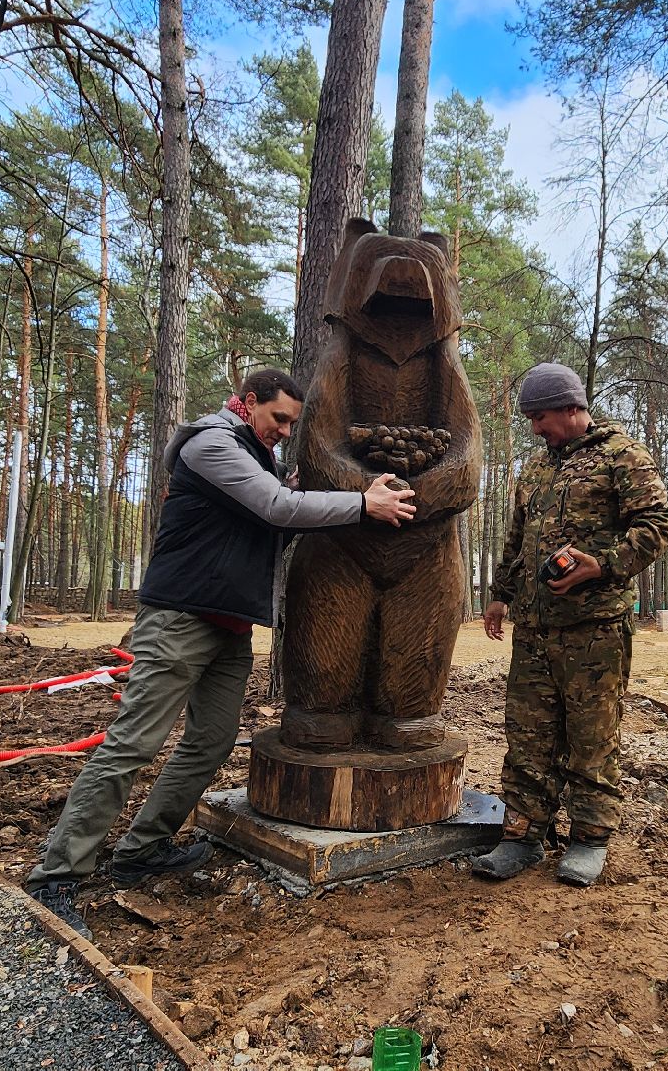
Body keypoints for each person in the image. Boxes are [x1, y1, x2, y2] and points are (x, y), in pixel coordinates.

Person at [24, 368, 418, 938]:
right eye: (278, 418)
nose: (285, 430)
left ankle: (143, 849)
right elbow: (278, 509)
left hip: (229, 627)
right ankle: (56, 875)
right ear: (248, 401)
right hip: (180, 619)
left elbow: (274, 518)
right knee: (134, 744)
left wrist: (314, 495)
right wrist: (361, 504)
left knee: (209, 744)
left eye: (292, 423)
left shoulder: (258, 458)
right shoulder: (213, 444)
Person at [474, 363, 668, 887]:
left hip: (595, 631)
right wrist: (500, 597)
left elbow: (657, 526)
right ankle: (521, 837)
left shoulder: (622, 456)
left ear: (570, 408)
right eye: (530, 420)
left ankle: (589, 839)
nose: (535, 428)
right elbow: (517, 542)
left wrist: (602, 563)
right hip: (534, 631)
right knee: (527, 738)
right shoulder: (537, 470)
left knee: (591, 738)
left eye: (540, 417)